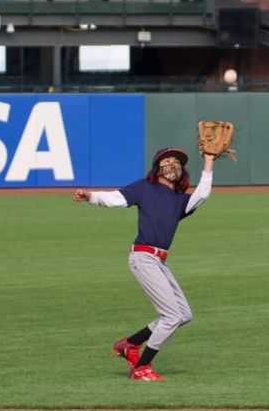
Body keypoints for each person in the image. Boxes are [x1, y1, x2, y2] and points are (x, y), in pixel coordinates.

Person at [73, 147, 216, 381]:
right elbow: (114, 199)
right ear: (157, 167)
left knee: (184, 314)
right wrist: (89, 195)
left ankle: (129, 345)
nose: (172, 165)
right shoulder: (144, 188)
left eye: (177, 162)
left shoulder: (180, 201)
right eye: (167, 160)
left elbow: (202, 195)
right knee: (171, 316)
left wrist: (209, 162)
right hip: (143, 257)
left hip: (159, 261)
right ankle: (141, 367)